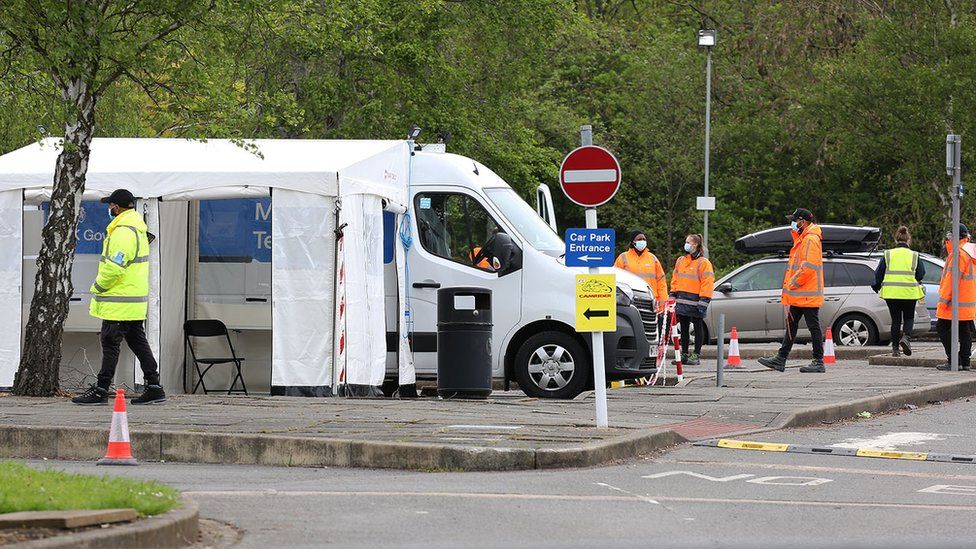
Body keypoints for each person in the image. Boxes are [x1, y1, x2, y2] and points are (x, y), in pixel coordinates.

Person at [72, 189, 166, 405]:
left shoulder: (123, 232)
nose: (109, 208)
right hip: (131, 301)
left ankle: (101, 390)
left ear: (116, 206)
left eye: (110, 205)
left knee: (110, 344)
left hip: (118, 301)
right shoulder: (136, 228)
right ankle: (154, 386)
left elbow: (115, 267)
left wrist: (98, 286)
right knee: (138, 343)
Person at [759, 208, 826, 373]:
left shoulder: (810, 239)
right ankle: (781, 358)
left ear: (803, 221)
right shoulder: (804, 238)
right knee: (792, 324)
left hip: (806, 293)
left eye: (795, 220)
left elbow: (808, 267)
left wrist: (792, 283)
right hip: (802, 293)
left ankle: (818, 361)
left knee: (812, 326)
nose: (793, 223)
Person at [871, 226, 925, 357]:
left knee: (895, 320)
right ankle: (906, 338)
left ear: (896, 240)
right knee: (909, 318)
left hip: (892, 293)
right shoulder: (914, 255)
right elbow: (921, 273)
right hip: (909, 292)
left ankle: (895, 349)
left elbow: (879, 273)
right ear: (908, 240)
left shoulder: (888, 254)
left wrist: (876, 286)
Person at [935, 224, 976, 371]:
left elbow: (951, 281)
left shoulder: (958, 254)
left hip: (955, 302)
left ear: (955, 237)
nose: (948, 239)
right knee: (964, 331)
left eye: (949, 237)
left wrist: (943, 301)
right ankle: (965, 362)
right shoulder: (970, 252)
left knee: (941, 327)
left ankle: (954, 360)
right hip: (967, 301)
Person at [669, 234, 713, 365]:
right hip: (682, 300)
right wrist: (672, 294)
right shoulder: (681, 260)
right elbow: (675, 279)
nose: (686, 244)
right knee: (683, 328)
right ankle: (684, 353)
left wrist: (704, 300)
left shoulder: (703, 263)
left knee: (698, 327)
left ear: (695, 245)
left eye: (688, 242)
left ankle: (696, 354)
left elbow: (707, 282)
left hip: (696, 301)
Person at [614, 231, 668, 311]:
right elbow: (616, 280)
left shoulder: (652, 258)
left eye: (644, 239)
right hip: (631, 300)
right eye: (639, 239)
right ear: (633, 242)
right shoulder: (623, 258)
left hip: (651, 301)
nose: (642, 241)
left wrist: (662, 300)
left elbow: (661, 281)